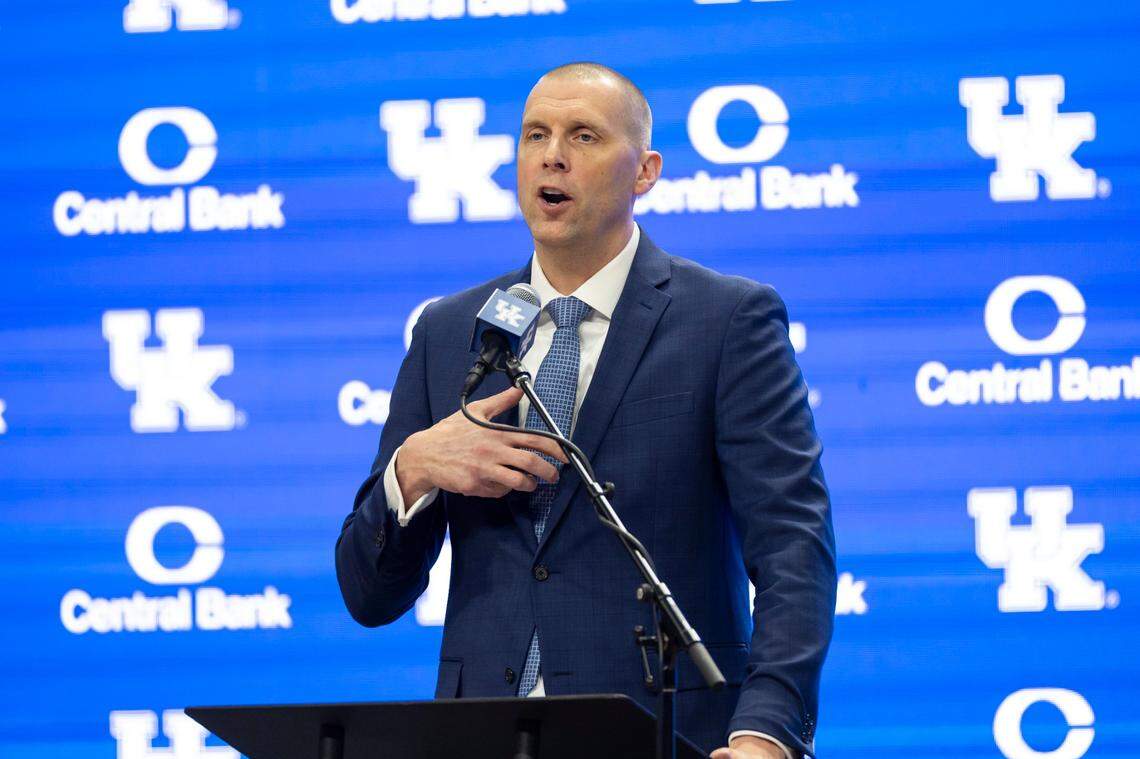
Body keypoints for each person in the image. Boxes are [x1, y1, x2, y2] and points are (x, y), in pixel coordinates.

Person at [336, 62, 836, 759]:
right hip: (487, 736)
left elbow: (792, 547)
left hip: (664, 729)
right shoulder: (450, 333)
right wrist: (413, 469)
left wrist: (767, 730)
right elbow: (369, 596)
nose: (552, 155)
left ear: (645, 172)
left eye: (583, 135)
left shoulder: (726, 320)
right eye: (534, 134)